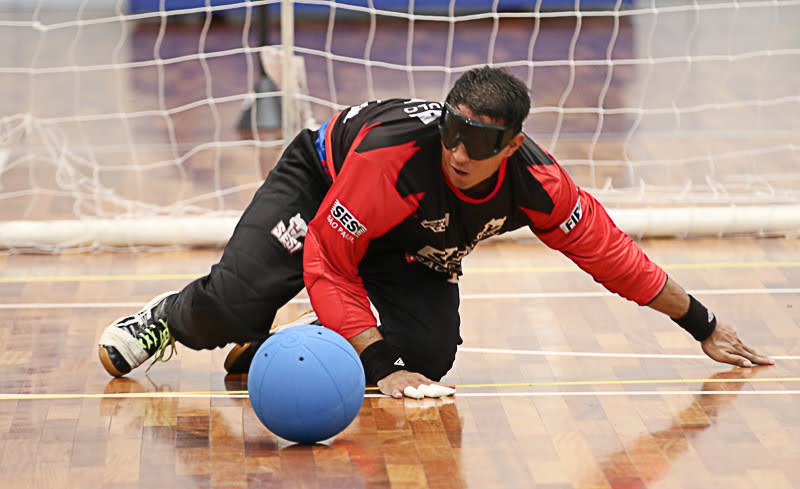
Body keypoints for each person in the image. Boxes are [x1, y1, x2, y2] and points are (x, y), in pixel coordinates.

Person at [98, 67, 773, 399]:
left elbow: (614, 258)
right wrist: (378, 365)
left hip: (410, 240)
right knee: (233, 305)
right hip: (326, 186)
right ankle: (168, 316)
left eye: (478, 143)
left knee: (428, 357)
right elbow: (331, 260)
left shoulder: (539, 183)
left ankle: (288, 343)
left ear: (511, 147)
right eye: (452, 132)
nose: (457, 152)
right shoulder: (393, 157)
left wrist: (703, 323)